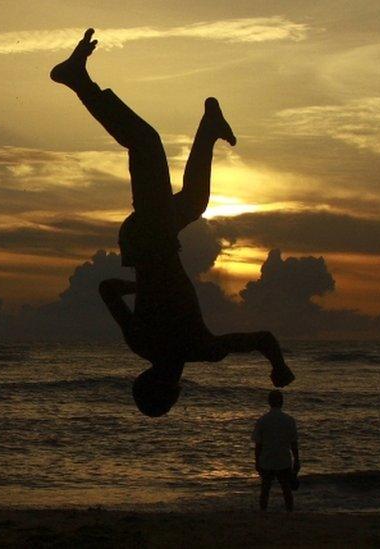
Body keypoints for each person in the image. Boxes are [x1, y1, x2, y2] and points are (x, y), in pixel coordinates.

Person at [51, 29, 294, 417]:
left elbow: (264, 338)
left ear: (171, 387)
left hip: (152, 237)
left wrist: (279, 365)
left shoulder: (200, 349)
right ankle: (209, 126)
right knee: (195, 202)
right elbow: (107, 288)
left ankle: (77, 79)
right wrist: (144, 284)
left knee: (146, 142)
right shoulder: (140, 343)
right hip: (145, 241)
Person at [252, 390, 299, 511]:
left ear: (269, 402)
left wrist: (257, 461)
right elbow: (293, 442)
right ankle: (289, 512)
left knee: (265, 488)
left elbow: (258, 444)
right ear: (282, 402)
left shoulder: (262, 420)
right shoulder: (289, 420)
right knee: (286, 489)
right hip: (283, 459)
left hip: (267, 459)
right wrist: (296, 459)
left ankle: (263, 512)